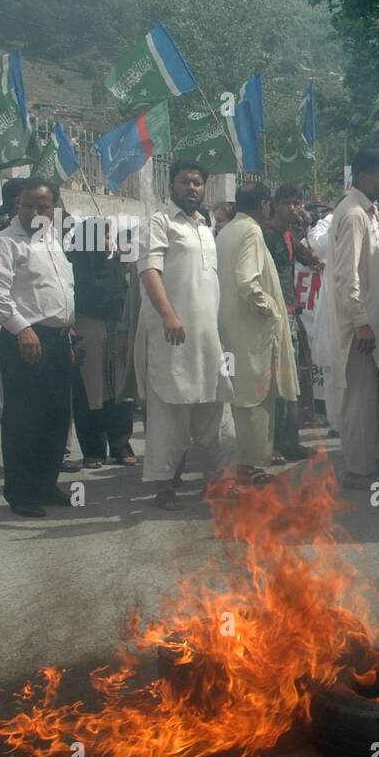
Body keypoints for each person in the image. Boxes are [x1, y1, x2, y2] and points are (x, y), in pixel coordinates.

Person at [134, 160, 234, 510]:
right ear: (171, 186)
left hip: (207, 337)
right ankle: (163, 485)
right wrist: (168, 314)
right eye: (184, 182)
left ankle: (217, 479)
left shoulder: (206, 227)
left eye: (197, 182)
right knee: (169, 411)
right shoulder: (158, 223)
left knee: (212, 407)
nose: (191, 188)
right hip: (172, 332)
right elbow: (148, 270)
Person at [0, 178, 76, 517]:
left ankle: (45, 484)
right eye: (28, 205)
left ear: (54, 208)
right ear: (17, 205)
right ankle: (21, 493)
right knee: (24, 419)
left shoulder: (52, 240)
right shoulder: (3, 243)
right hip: (26, 341)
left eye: (43, 206)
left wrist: (67, 329)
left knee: (55, 416)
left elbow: (59, 289)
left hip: (57, 339)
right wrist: (22, 330)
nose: (35, 212)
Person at [326, 148, 379, 488]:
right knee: (360, 400)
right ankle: (358, 471)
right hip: (360, 328)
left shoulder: (371, 213)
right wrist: (360, 321)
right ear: (363, 177)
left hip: (375, 324)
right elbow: (346, 276)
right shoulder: (351, 215)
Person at [216, 182, 299, 482]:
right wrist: (270, 309)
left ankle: (244, 465)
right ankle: (251, 468)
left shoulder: (226, 230)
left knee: (241, 394)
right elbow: (247, 280)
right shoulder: (251, 231)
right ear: (265, 204)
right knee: (255, 396)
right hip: (251, 326)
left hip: (230, 325)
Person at [67, 217, 135, 469]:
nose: (110, 243)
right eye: (105, 237)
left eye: (111, 237)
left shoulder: (115, 268)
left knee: (120, 392)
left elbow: (124, 300)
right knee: (89, 393)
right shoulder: (73, 266)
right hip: (88, 332)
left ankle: (121, 446)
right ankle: (93, 450)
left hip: (115, 334)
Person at [263, 182, 315, 462]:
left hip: (291, 313)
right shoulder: (265, 235)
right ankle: (272, 444)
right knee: (277, 383)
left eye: (297, 203)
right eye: (288, 203)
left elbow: (303, 254)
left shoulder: (287, 236)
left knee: (294, 381)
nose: (294, 209)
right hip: (276, 314)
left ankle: (290, 440)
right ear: (275, 204)